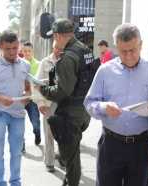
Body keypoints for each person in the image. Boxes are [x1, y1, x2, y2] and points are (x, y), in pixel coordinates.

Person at [84, 23, 148, 186]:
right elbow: (89, 103)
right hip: (111, 145)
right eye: (123, 51)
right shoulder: (105, 71)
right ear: (116, 47)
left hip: (141, 147)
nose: (128, 56)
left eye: (132, 50)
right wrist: (104, 107)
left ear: (141, 45)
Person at [39, 18, 94, 186]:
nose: (54, 41)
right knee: (72, 154)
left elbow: (62, 91)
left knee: (71, 160)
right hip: (84, 110)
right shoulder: (85, 50)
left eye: (54, 38)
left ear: (58, 35)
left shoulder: (67, 58)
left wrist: (43, 88)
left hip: (70, 113)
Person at [0, 30, 30, 186]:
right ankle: (0, 182)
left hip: (18, 115)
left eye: (15, 48)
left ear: (19, 46)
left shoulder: (25, 65)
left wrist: (27, 97)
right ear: (0, 46)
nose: (12, 52)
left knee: (16, 152)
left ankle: (15, 182)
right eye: (8, 49)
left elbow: (29, 89)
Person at [35, 41, 63, 173]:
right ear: (52, 48)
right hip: (49, 103)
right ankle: (50, 161)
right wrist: (40, 103)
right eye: (56, 48)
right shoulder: (45, 62)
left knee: (64, 133)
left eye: (61, 48)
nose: (58, 50)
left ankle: (62, 156)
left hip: (65, 103)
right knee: (49, 133)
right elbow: (37, 84)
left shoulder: (68, 61)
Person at [22, 41, 41, 150]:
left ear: (32, 51)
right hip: (21, 98)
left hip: (33, 99)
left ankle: (37, 133)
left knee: (35, 123)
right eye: (25, 51)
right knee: (19, 124)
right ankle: (21, 143)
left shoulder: (38, 64)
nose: (27, 53)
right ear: (22, 51)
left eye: (29, 51)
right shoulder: (18, 64)